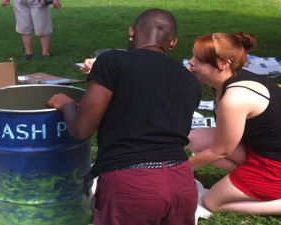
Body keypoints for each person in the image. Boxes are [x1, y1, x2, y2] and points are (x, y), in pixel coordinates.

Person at [46, 8, 202, 225]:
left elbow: (82, 129)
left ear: (131, 31)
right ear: (173, 43)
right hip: (182, 181)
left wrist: (67, 105)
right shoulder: (190, 80)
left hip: (132, 184)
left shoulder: (112, 60)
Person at [187, 32, 281, 215]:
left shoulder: (234, 99)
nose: (191, 62)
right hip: (259, 149)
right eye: (193, 55)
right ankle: (250, 179)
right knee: (196, 139)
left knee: (213, 203)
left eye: (199, 59)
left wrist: (177, 167)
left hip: (274, 166)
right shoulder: (228, 79)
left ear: (223, 63)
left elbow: (221, 151)